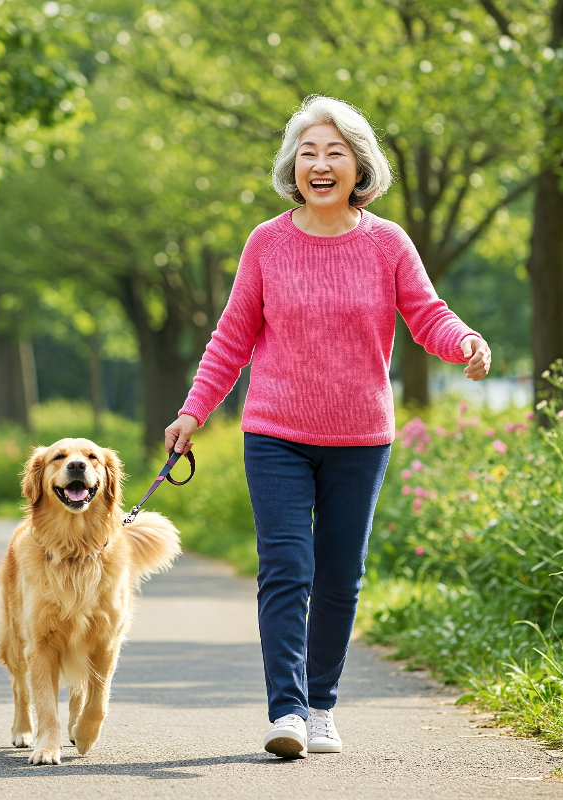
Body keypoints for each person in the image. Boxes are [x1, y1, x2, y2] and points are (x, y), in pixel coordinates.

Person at [164, 95, 491, 760]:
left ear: (358, 166)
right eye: (308, 152)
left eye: (334, 152)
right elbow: (232, 337)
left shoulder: (387, 242)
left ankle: (321, 707)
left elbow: (428, 313)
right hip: (275, 432)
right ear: (293, 166)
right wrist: (194, 411)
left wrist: (464, 342)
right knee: (288, 567)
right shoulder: (267, 242)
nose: (320, 164)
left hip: (361, 438)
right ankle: (285, 711)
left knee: (341, 575)